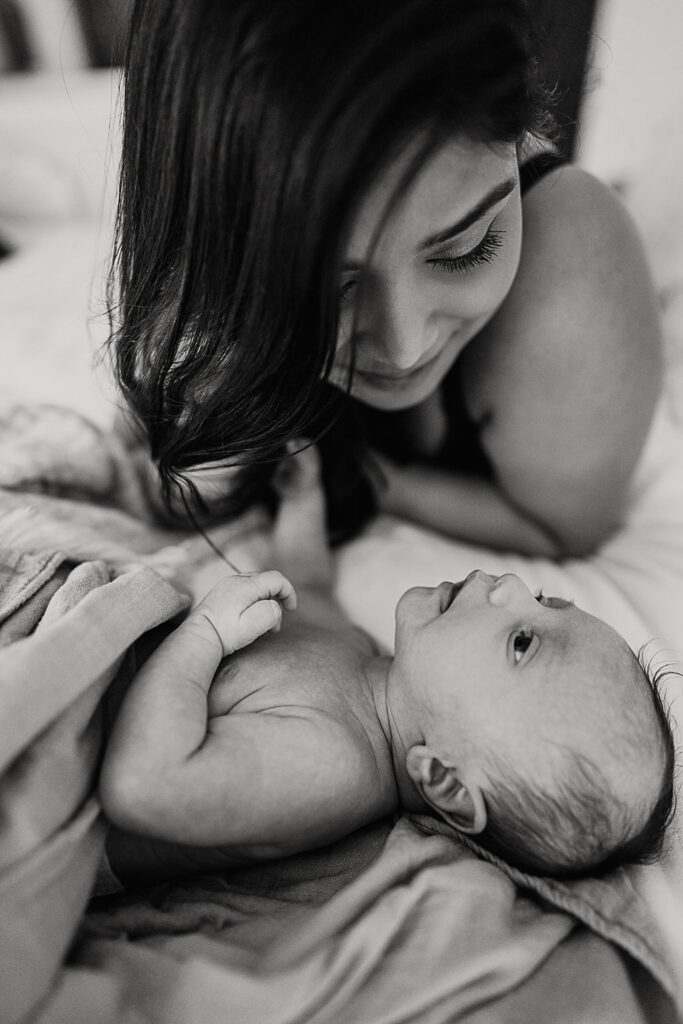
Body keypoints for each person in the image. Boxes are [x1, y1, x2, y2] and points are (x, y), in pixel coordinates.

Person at [109, 0, 662, 557]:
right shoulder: (193, 263)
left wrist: (370, 479)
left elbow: (562, 528)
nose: (405, 350)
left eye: (467, 250)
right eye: (323, 291)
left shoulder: (576, 263)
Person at [99, 448, 675, 881]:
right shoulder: (367, 666)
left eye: (522, 642)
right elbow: (309, 594)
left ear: (443, 780)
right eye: (547, 600)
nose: (514, 587)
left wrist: (204, 634)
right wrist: (303, 501)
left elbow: (143, 785)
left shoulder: (332, 761)